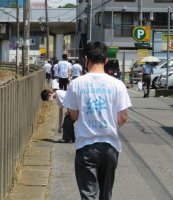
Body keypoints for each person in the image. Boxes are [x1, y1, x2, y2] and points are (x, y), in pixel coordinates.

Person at [64, 41, 132, 200]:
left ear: (85, 59)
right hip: (110, 146)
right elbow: (123, 117)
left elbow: (73, 116)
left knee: (89, 196)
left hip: (86, 146)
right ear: (106, 60)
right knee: (105, 195)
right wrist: (110, 128)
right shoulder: (118, 84)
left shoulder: (76, 84)